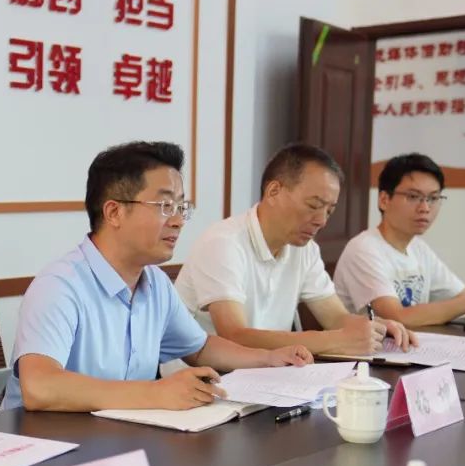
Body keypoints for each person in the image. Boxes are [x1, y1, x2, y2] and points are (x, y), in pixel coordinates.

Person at [2, 141, 312, 412]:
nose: (178, 221)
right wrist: (156, 393)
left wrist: (268, 358)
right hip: (48, 445)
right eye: (165, 205)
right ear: (114, 212)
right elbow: (39, 386)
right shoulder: (59, 287)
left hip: (120, 439)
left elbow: (199, 348)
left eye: (181, 206)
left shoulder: (155, 283)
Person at [176, 143, 416, 357]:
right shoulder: (223, 243)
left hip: (269, 372)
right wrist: (334, 340)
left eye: (329, 210)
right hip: (200, 379)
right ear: (273, 191)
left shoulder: (305, 249)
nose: (321, 220)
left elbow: (335, 318)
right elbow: (235, 336)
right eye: (313, 205)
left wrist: (378, 327)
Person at [333, 152, 465, 326]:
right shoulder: (363, 249)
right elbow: (396, 317)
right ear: (384, 200)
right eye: (413, 197)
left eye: (433, 198)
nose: (425, 208)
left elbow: (464, 301)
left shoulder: (418, 248)